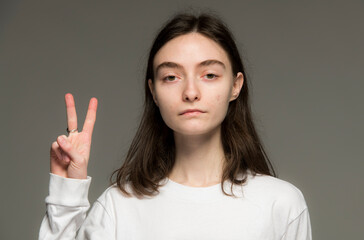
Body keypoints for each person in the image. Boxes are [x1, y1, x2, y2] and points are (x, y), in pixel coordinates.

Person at [39, 12, 312, 239]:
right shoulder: (119, 206)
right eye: (171, 77)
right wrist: (67, 195)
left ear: (235, 86)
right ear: (153, 92)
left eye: (209, 74)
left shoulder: (281, 203)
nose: (190, 92)